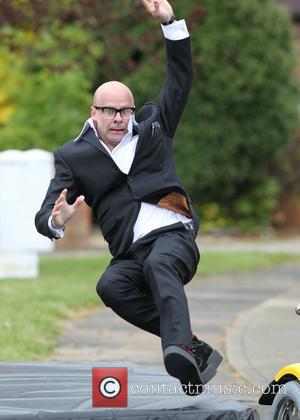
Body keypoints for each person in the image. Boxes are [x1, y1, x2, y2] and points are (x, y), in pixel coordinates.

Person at [35, 0, 223, 395]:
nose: (119, 118)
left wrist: (169, 23)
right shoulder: (73, 156)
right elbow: (45, 215)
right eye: (110, 111)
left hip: (173, 237)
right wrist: (57, 219)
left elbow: (180, 77)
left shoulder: (156, 126)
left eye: (125, 111)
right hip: (129, 253)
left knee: (160, 264)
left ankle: (177, 349)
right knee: (110, 286)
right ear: (94, 112)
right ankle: (189, 344)